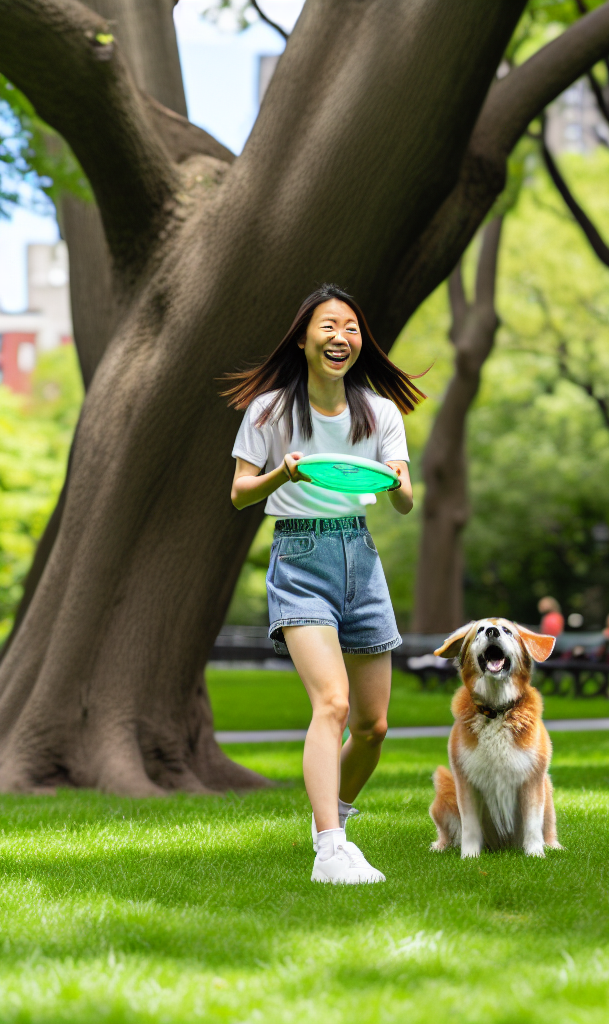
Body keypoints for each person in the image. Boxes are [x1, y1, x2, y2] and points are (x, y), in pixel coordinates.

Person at [224, 284, 424, 885]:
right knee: (331, 703)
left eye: (353, 328)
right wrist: (281, 471)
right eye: (330, 327)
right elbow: (238, 494)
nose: (342, 337)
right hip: (300, 554)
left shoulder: (380, 413)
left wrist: (396, 482)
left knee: (372, 726)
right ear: (305, 338)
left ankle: (326, 819)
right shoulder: (269, 410)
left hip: (360, 556)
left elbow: (407, 501)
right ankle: (332, 850)